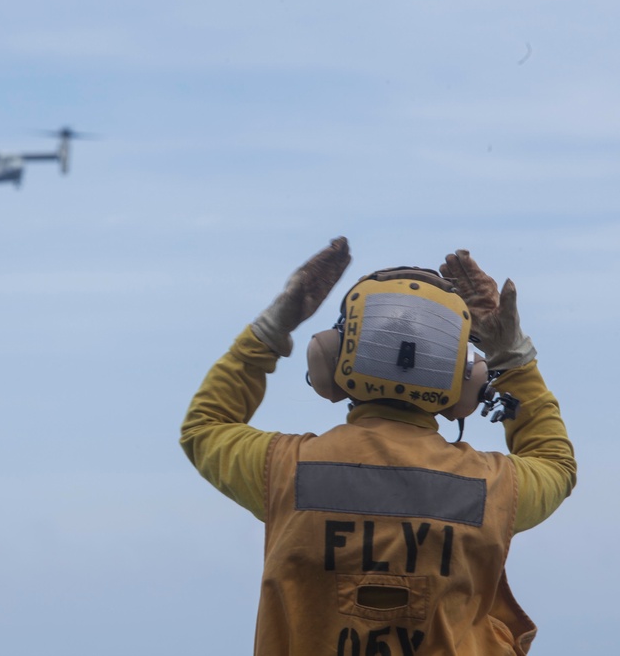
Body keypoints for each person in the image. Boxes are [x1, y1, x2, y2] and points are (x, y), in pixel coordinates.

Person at [180, 237, 576, 656]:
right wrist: (512, 357)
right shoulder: (491, 488)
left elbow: (204, 426)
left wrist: (270, 330)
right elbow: (555, 463)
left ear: (331, 359)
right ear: (466, 382)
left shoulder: (285, 470)